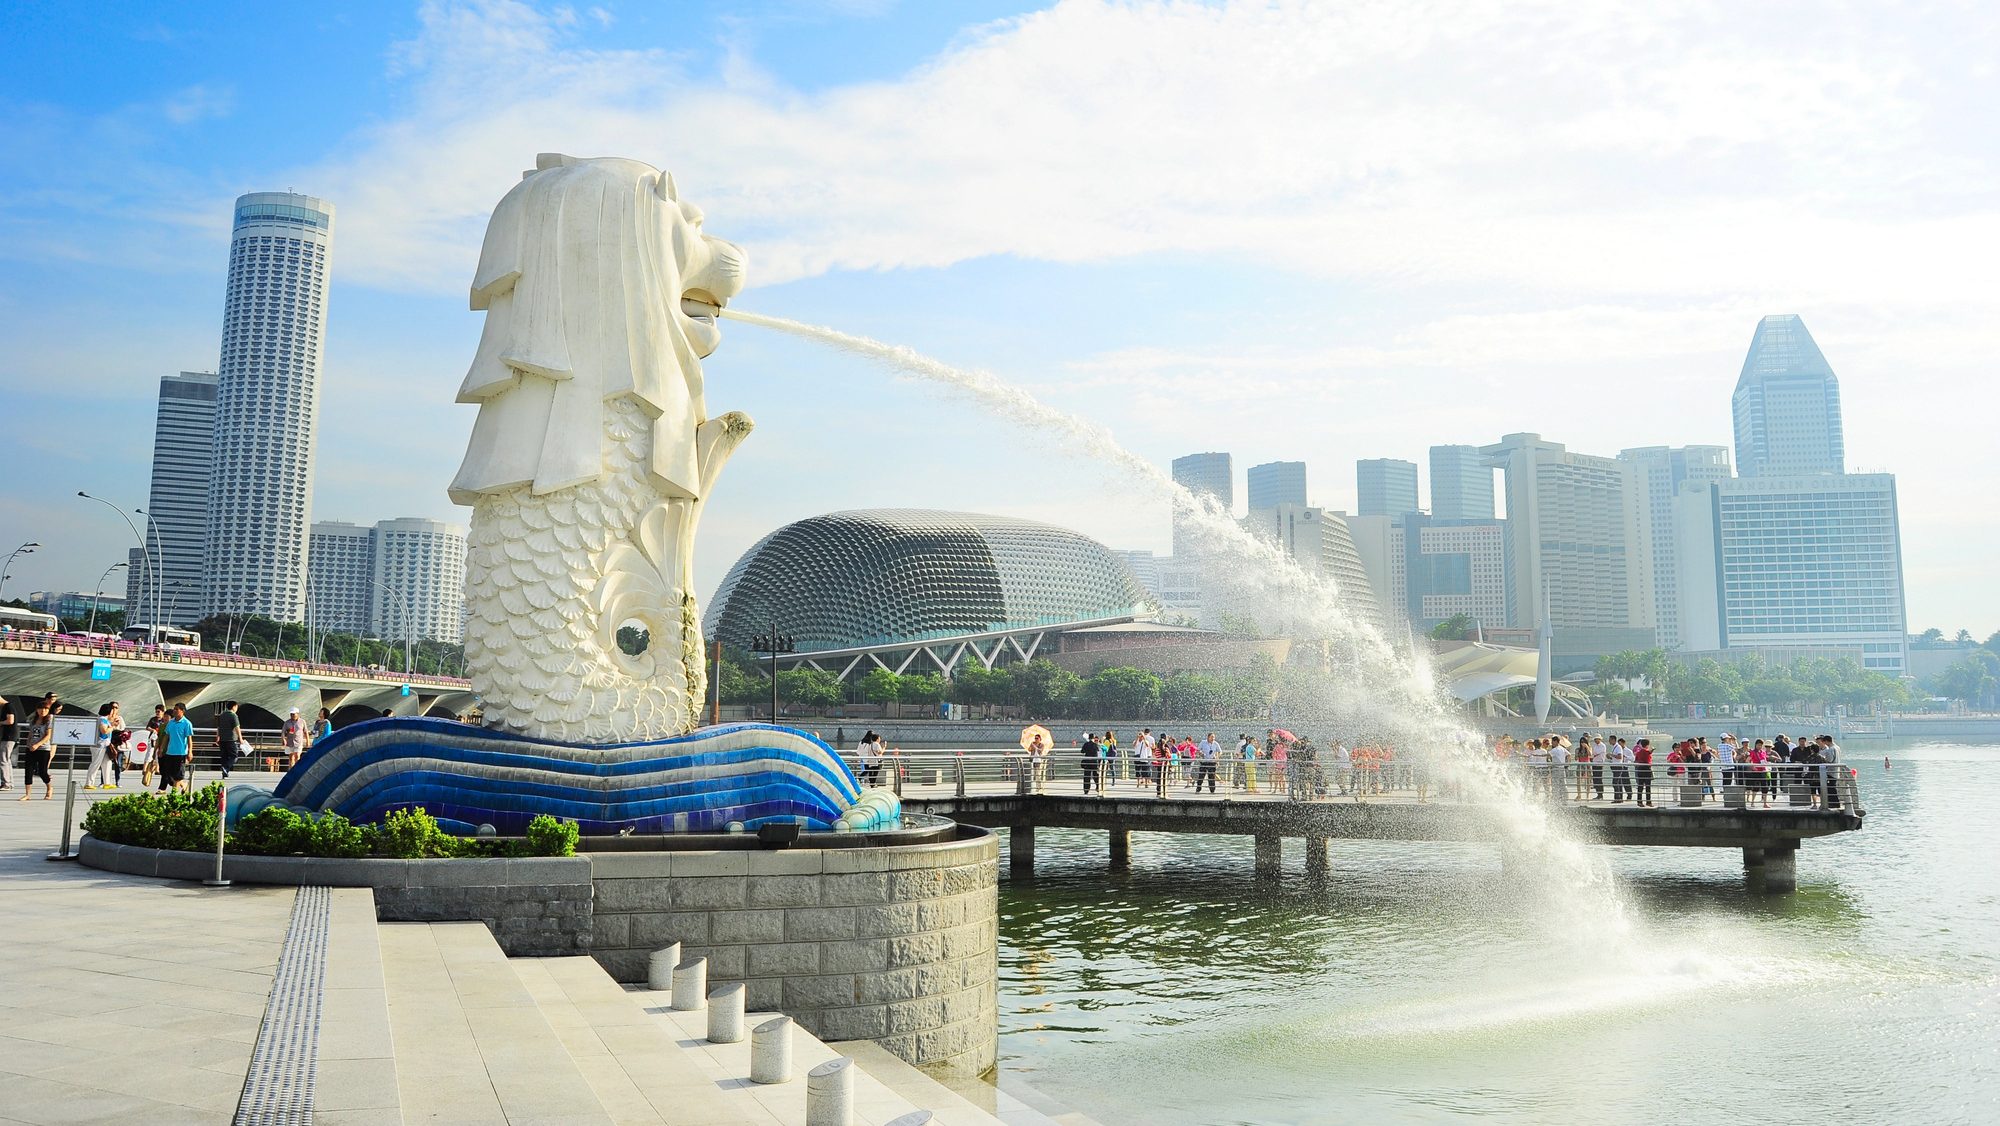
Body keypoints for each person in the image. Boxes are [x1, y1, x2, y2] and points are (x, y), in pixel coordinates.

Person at [18, 700, 54, 800]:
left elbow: (48, 736)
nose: (43, 711)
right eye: (41, 708)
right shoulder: (33, 720)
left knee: (42, 772)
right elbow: (30, 733)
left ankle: (49, 788)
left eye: (46, 709)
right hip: (31, 748)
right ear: (37, 710)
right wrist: (28, 743)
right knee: (28, 771)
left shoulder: (49, 720)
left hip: (43, 749)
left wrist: (37, 744)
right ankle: (27, 794)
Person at [159, 703, 195, 793]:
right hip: (170, 752)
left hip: (181, 753)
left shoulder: (187, 723)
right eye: (174, 709)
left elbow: (189, 739)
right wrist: (161, 749)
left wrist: (190, 752)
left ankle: (173, 794)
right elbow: (166, 737)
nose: (174, 711)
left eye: (176, 709)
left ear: (182, 711)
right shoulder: (171, 722)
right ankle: (184, 785)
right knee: (168, 773)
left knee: (178, 775)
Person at [86, 702, 121, 789]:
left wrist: (112, 724)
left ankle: (107, 782)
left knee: (107, 763)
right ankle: (89, 783)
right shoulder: (102, 720)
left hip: (105, 745)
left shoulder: (102, 719)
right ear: (109, 712)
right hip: (99, 745)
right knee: (95, 763)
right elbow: (104, 731)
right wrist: (112, 727)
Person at [141, 704, 167, 789]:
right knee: (149, 753)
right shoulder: (153, 720)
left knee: (158, 754)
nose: (157, 713)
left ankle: (157, 769)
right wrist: (153, 730)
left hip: (161, 739)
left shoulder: (164, 720)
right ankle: (144, 769)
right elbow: (147, 727)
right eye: (156, 711)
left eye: (159, 711)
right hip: (153, 738)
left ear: (163, 712)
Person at [215, 700, 242, 778]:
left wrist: (217, 737)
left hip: (222, 739)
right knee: (234, 756)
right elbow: (237, 728)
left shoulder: (222, 715)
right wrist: (240, 738)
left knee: (224, 756)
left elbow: (218, 727)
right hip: (231, 739)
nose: (237, 708)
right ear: (233, 707)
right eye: (236, 707)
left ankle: (224, 773)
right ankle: (226, 768)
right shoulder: (233, 716)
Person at [1608, 736, 1631, 804]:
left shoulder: (1618, 747)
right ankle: (1619, 798)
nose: (1609, 741)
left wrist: (1612, 755)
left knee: (1615, 782)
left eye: (1610, 740)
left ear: (1613, 740)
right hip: (1615, 766)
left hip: (1618, 767)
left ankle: (1617, 798)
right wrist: (1610, 757)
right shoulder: (1615, 747)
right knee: (1618, 782)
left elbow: (1620, 757)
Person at [1633, 737, 1655, 807]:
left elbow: (1636, 760)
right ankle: (1648, 802)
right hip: (1647, 769)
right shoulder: (1647, 752)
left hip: (1640, 769)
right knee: (1648, 786)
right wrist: (1653, 749)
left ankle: (1639, 801)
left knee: (1640, 786)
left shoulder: (1638, 752)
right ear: (1647, 745)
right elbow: (1650, 752)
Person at [0, 692, 14, 791]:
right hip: (7, 737)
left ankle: (6, 783)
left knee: (3, 760)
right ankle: (9, 782)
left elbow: (10, 721)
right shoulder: (6, 706)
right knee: (7, 760)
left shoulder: (8, 706)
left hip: (8, 737)